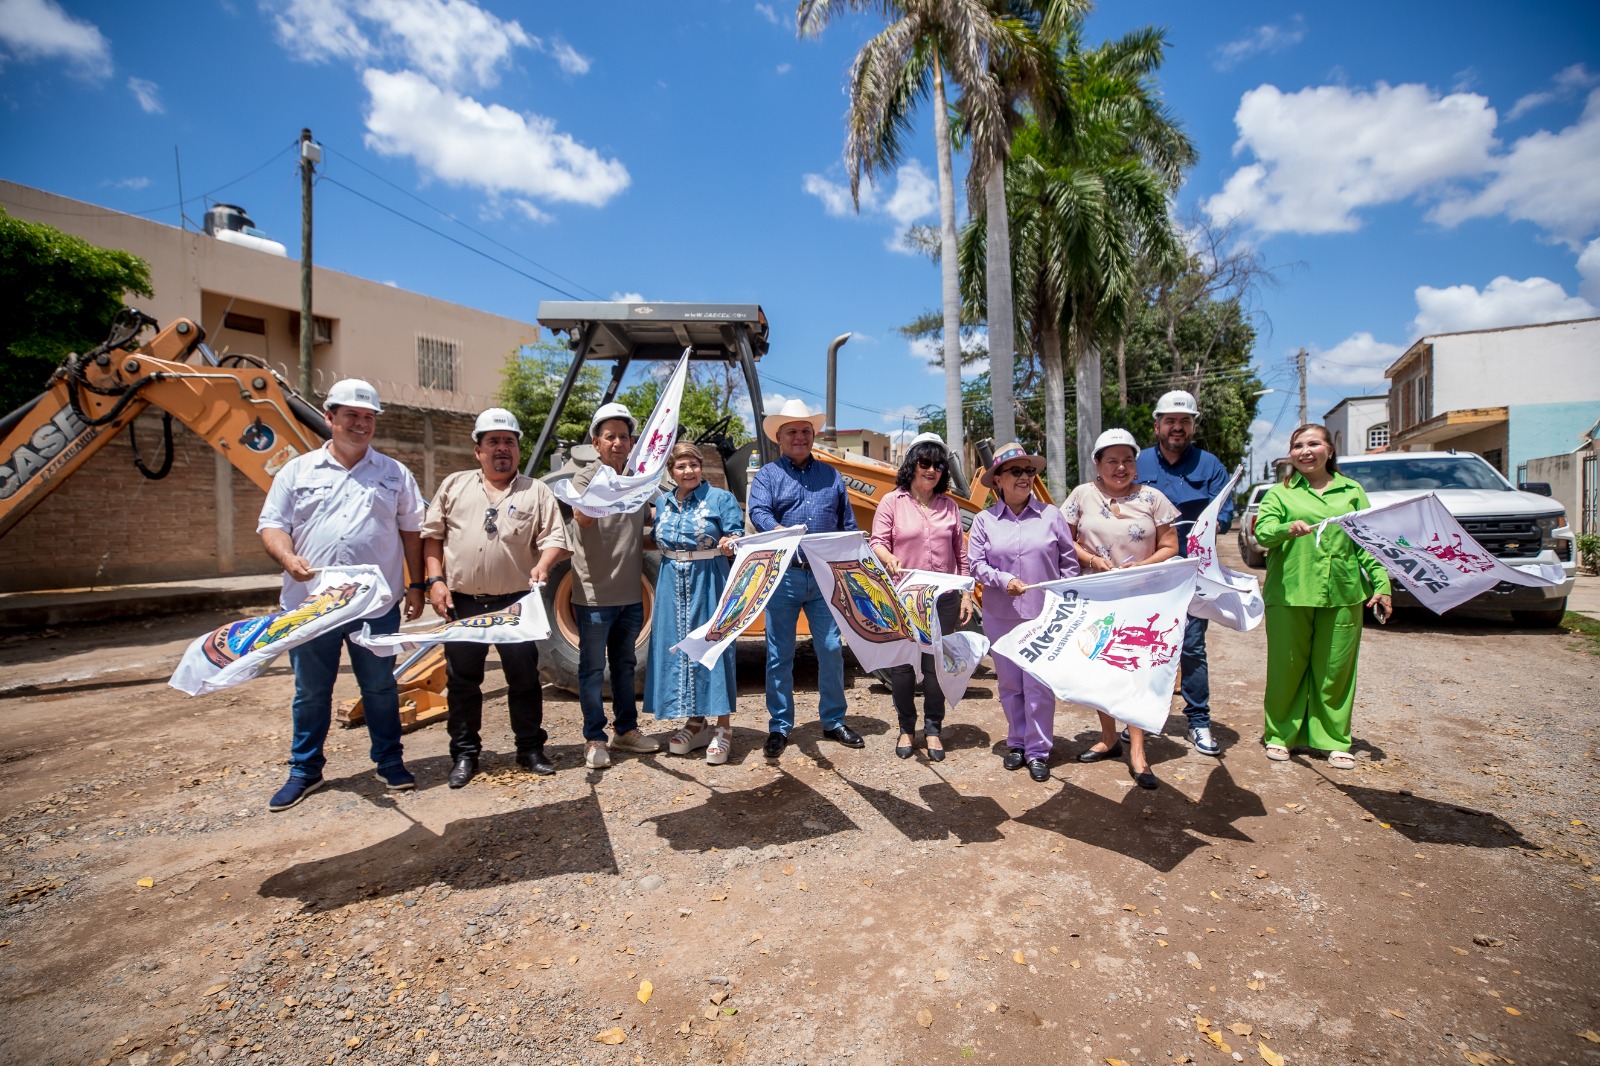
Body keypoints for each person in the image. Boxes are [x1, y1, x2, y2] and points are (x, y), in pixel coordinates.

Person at [257, 379, 426, 811]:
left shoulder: (394, 473)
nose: (361, 424)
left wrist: (416, 584)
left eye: (369, 417)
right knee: (311, 691)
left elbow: (412, 531)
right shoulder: (297, 471)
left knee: (380, 687)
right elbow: (271, 525)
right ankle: (305, 770)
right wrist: (287, 557)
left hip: (375, 605)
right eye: (352, 415)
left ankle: (389, 762)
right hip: (311, 605)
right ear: (329, 417)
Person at [421, 408, 571, 788]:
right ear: (478, 450)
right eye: (493, 442)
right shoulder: (454, 486)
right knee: (462, 681)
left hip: (515, 603)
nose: (502, 448)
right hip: (462, 602)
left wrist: (544, 565)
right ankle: (465, 755)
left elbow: (555, 538)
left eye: (509, 441)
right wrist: (435, 581)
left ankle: (530, 749)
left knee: (524, 679)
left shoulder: (536, 491)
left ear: (517, 449)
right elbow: (432, 536)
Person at [1254, 423, 1391, 768]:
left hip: (1342, 592)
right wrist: (1287, 528)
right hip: (1290, 592)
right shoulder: (1280, 493)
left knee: (1335, 670)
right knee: (1286, 669)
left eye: (1313, 444)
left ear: (1329, 450)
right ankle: (1280, 734)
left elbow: (1368, 543)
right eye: (1298, 445)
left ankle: (1333, 739)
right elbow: (1263, 534)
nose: (1305, 451)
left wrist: (1381, 584)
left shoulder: (1352, 491)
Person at [1063, 428, 1180, 790]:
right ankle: (1108, 737)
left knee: (1136, 669)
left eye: (1127, 460)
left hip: (1141, 597)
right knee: (1101, 668)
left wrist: (1143, 565)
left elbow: (1171, 546)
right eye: (1112, 460)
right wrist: (1090, 560)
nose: (1120, 467)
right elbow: (1064, 540)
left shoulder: (1152, 498)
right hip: (1096, 597)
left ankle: (1138, 752)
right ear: (1097, 463)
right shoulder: (1081, 495)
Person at [748, 398, 864, 758]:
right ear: (779, 438)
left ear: (813, 435)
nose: (799, 437)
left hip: (824, 576)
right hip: (784, 576)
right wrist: (779, 531)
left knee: (830, 649)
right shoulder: (767, 476)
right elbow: (758, 510)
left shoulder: (832, 476)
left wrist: (855, 560)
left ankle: (833, 720)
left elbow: (847, 523)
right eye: (792, 432)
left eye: (805, 431)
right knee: (779, 654)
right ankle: (780, 726)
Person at [967, 442, 1079, 782]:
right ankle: (1016, 742)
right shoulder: (984, 521)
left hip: (1043, 616)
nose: (1025, 476)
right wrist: (1003, 580)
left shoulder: (1051, 516)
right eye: (1016, 471)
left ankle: (1038, 750)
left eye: (1029, 471)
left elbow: (1069, 564)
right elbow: (976, 565)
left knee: (1038, 685)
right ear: (998, 480)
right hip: (1000, 616)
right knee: (1010, 684)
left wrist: (1066, 604)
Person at [1135, 390, 1233, 757]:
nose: (1177, 427)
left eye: (1185, 421)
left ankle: (1198, 721)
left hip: (1193, 571)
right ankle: (1140, 719)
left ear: (1193, 426)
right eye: (1171, 421)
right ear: (1157, 425)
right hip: (1148, 572)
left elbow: (1225, 511)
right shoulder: (1139, 462)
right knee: (1143, 645)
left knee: (1191, 646)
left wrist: (1213, 524)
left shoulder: (1210, 466)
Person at [567, 402, 660, 770]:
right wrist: (611, 488)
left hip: (629, 594)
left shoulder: (638, 480)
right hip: (594, 595)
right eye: (610, 437)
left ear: (632, 442)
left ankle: (626, 730)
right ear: (596, 442)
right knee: (592, 670)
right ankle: (594, 738)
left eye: (624, 436)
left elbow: (647, 524)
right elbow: (582, 517)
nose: (618, 443)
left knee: (625, 665)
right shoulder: (585, 478)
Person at [870, 433, 972, 761]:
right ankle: (905, 727)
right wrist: (888, 557)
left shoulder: (950, 506)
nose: (931, 470)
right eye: (925, 463)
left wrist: (966, 594)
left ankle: (933, 730)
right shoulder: (891, 502)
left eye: (938, 465)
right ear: (912, 465)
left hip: (944, 599)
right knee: (902, 667)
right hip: (904, 599)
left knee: (934, 667)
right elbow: (876, 542)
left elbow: (961, 554)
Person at [646, 442, 746, 764]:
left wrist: (731, 541)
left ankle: (723, 726)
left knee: (713, 647)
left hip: (709, 579)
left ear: (701, 467)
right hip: (670, 582)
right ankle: (696, 722)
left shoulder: (720, 499)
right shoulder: (663, 503)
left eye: (693, 464)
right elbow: (656, 539)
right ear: (671, 471)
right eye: (681, 466)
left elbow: (737, 536)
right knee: (682, 649)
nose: (688, 471)